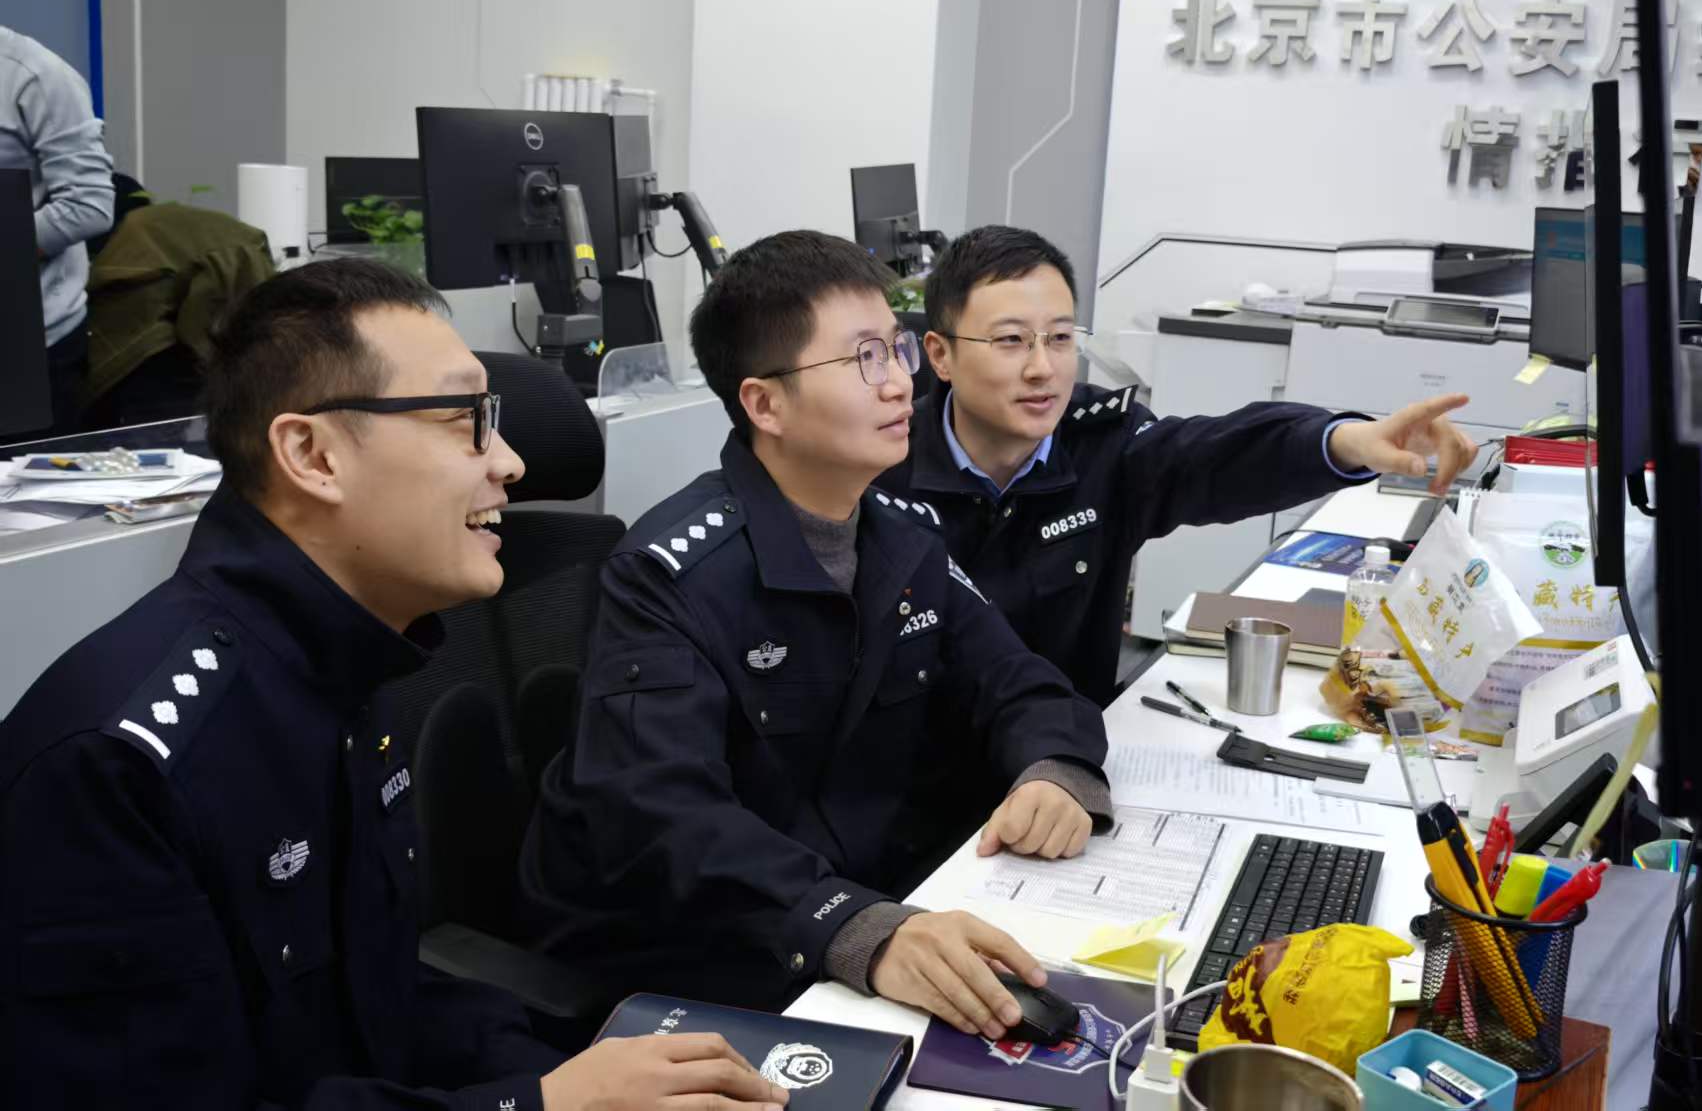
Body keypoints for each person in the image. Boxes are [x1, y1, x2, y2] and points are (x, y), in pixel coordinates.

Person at [0, 260, 789, 1111]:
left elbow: (386, 1002)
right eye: (467, 421)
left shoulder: (345, 665)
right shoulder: (119, 768)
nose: (510, 462)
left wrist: (603, 1066)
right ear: (313, 455)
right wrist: (542, 1105)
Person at [522, 231, 1111, 1041]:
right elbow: (665, 818)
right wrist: (857, 925)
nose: (900, 380)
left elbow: (1019, 679)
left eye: (896, 348)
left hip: (847, 918)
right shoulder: (666, 576)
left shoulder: (903, 536)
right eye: (864, 357)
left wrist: (1056, 770)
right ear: (766, 404)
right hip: (705, 955)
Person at [876, 225, 1481, 707]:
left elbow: (1218, 454)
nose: (1042, 368)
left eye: (1059, 339)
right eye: (1011, 341)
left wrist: (1350, 441)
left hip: (1063, 764)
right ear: (941, 355)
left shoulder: (1103, 444)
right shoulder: (880, 466)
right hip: (919, 793)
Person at [0, 25, 115, 435]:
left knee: (21, 474)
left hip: (28, 342)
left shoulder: (34, 74)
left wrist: (9, 242)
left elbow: (89, 205)